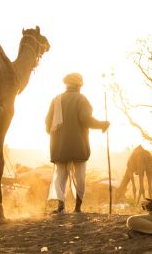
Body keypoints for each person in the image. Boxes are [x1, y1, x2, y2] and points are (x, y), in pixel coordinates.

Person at [45, 72, 110, 213]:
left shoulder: (56, 100)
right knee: (80, 177)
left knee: (60, 176)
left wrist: (58, 136)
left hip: (59, 146)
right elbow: (86, 120)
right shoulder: (81, 99)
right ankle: (77, 208)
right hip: (78, 145)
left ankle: (60, 207)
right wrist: (102, 124)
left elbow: (47, 124)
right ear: (79, 85)